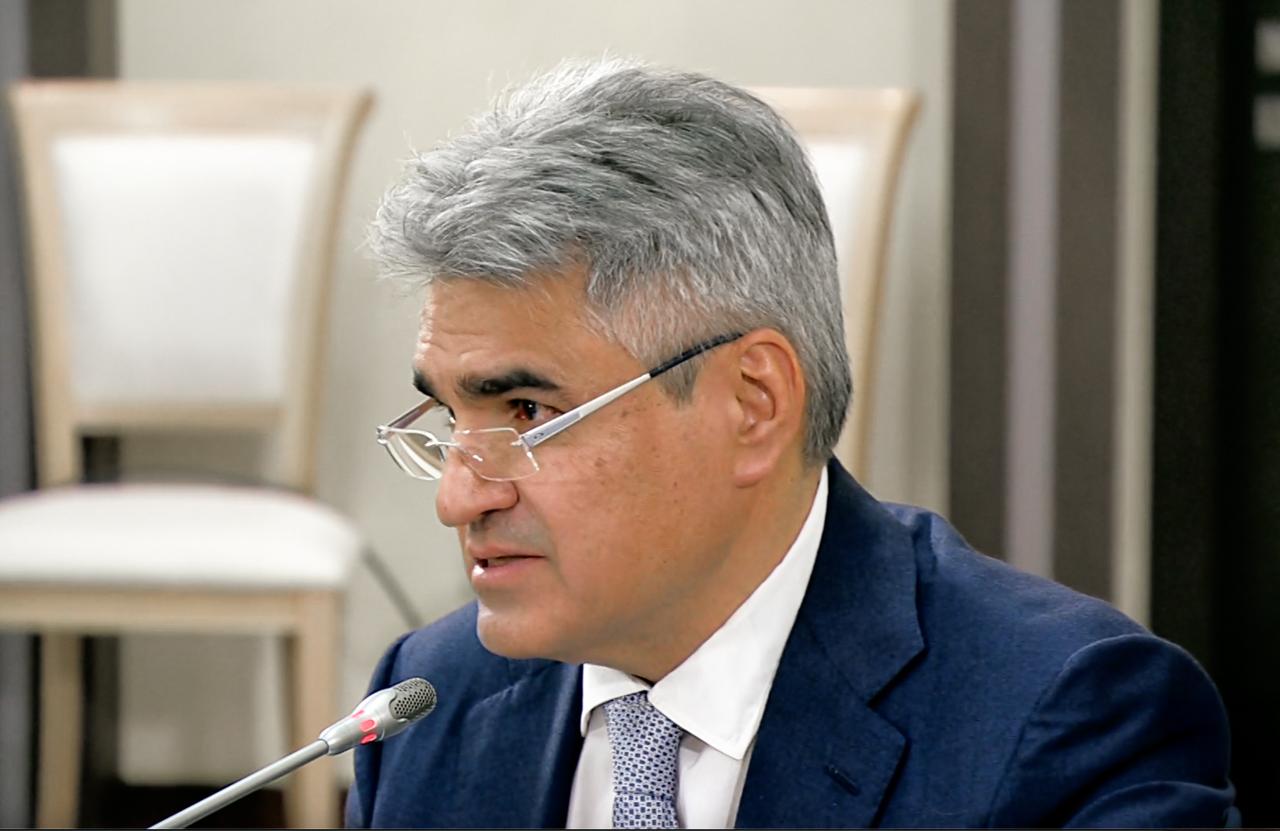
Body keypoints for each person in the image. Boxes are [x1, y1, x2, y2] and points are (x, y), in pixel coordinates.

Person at [346, 58, 1236, 828]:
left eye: (528, 412)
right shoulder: (426, 705)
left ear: (754, 404)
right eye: (450, 418)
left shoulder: (1065, 723)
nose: (457, 497)